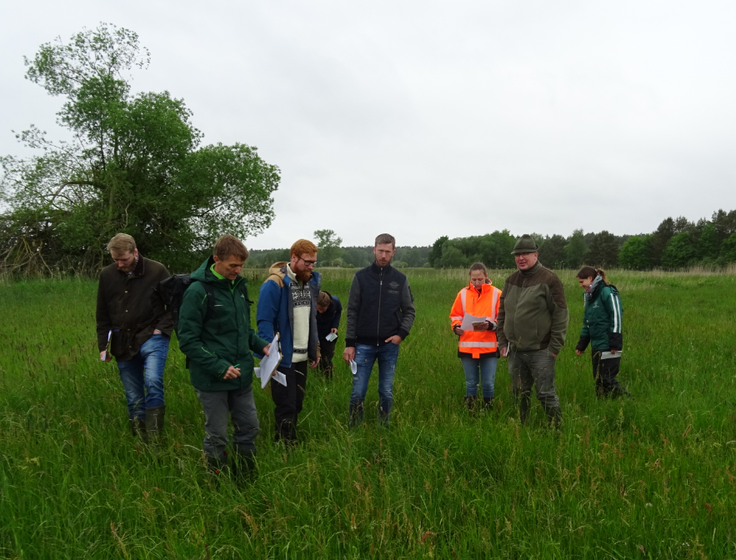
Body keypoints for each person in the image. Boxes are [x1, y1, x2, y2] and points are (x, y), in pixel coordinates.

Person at [177, 235, 270, 476]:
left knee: (249, 428)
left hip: (242, 376)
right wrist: (219, 366)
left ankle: (246, 478)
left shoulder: (238, 287)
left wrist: (263, 347)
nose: (237, 271)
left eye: (241, 266)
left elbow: (244, 330)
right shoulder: (198, 291)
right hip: (212, 380)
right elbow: (187, 340)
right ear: (216, 260)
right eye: (232, 266)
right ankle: (216, 483)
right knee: (217, 435)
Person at [96, 233, 173, 441]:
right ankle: (141, 441)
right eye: (115, 260)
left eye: (124, 259)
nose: (120, 264)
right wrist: (103, 346)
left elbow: (174, 305)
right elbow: (102, 314)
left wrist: (161, 329)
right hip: (122, 341)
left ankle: (156, 438)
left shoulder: (157, 270)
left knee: (153, 380)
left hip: (152, 335)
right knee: (133, 396)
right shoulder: (107, 275)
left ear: (135, 252)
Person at [343, 233, 416, 427]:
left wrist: (401, 335)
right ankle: (354, 429)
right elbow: (352, 311)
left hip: (389, 346)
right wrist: (350, 343)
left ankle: (384, 428)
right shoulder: (361, 277)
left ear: (394, 252)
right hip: (362, 345)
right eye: (380, 251)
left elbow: (409, 310)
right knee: (358, 391)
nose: (383, 255)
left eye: (388, 251)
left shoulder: (400, 280)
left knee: (386, 391)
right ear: (374, 249)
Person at [496, 234, 568, 426]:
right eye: (517, 254)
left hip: (541, 351)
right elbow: (501, 313)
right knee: (519, 392)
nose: (521, 258)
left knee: (545, 394)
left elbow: (560, 314)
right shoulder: (511, 280)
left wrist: (554, 347)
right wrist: (502, 342)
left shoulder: (549, 279)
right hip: (515, 351)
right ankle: (522, 427)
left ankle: (557, 429)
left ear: (535, 254)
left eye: (525, 253)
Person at [257, 239, 321, 445]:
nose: (311, 267)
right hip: (283, 358)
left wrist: (316, 348)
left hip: (302, 355)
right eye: (307, 262)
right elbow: (265, 321)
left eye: (314, 263)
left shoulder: (310, 282)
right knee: (286, 404)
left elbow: (311, 319)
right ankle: (284, 445)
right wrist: (270, 357)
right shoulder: (274, 285)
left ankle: (291, 439)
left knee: (298, 403)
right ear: (293, 257)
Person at [449, 262, 502, 412]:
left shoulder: (497, 294)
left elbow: (503, 319)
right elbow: (455, 315)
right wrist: (456, 327)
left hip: (489, 346)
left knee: (488, 384)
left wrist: (491, 325)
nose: (477, 283)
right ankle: (470, 411)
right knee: (471, 383)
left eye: (480, 279)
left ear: (486, 276)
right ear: (470, 278)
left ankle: (488, 411)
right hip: (467, 345)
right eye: (474, 280)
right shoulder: (463, 294)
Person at [574, 266, 629, 398]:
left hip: (609, 345)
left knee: (608, 380)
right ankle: (603, 406)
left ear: (590, 278)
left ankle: (628, 402)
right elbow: (588, 323)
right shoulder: (589, 297)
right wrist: (582, 345)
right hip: (596, 345)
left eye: (582, 282)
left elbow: (616, 316)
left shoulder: (607, 292)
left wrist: (615, 343)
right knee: (599, 380)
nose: (581, 285)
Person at [316, 291, 342, 379]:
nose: (320, 311)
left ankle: (328, 378)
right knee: (315, 357)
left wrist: (335, 325)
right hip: (315, 334)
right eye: (318, 309)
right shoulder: (311, 305)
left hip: (329, 335)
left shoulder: (336, 302)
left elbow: (339, 311)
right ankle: (317, 376)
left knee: (327, 357)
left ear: (328, 305)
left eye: (322, 310)